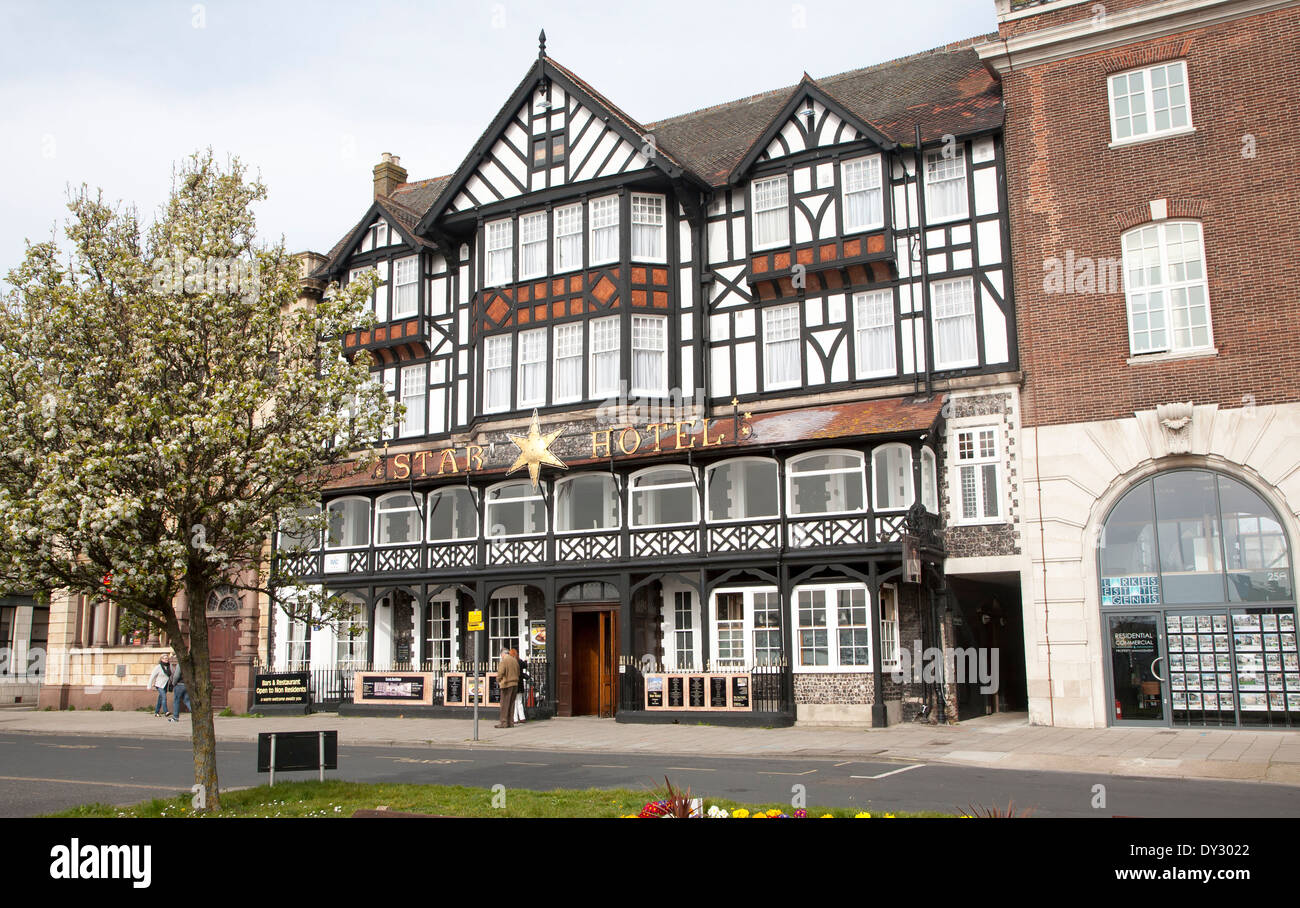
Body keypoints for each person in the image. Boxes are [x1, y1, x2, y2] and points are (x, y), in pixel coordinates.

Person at [495, 647, 519, 729]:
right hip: (515, 684)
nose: (501, 656)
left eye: (501, 655)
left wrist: (498, 679)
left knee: (504, 704)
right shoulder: (514, 660)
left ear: (503, 654)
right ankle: (510, 722)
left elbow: (501, 673)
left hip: (506, 684)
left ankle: (504, 722)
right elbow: (518, 672)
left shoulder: (504, 661)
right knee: (511, 704)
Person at [168, 656, 192, 722]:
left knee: (176, 700)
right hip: (187, 684)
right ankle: (196, 714)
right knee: (187, 700)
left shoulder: (180, 664)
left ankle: (175, 717)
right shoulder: (191, 665)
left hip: (179, 685)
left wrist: (173, 683)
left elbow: (176, 676)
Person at [511, 647, 528, 725]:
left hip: (514, 684)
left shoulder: (512, 662)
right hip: (520, 684)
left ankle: (515, 719)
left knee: (514, 702)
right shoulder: (519, 661)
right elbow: (525, 665)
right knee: (520, 702)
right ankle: (522, 717)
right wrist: (526, 660)